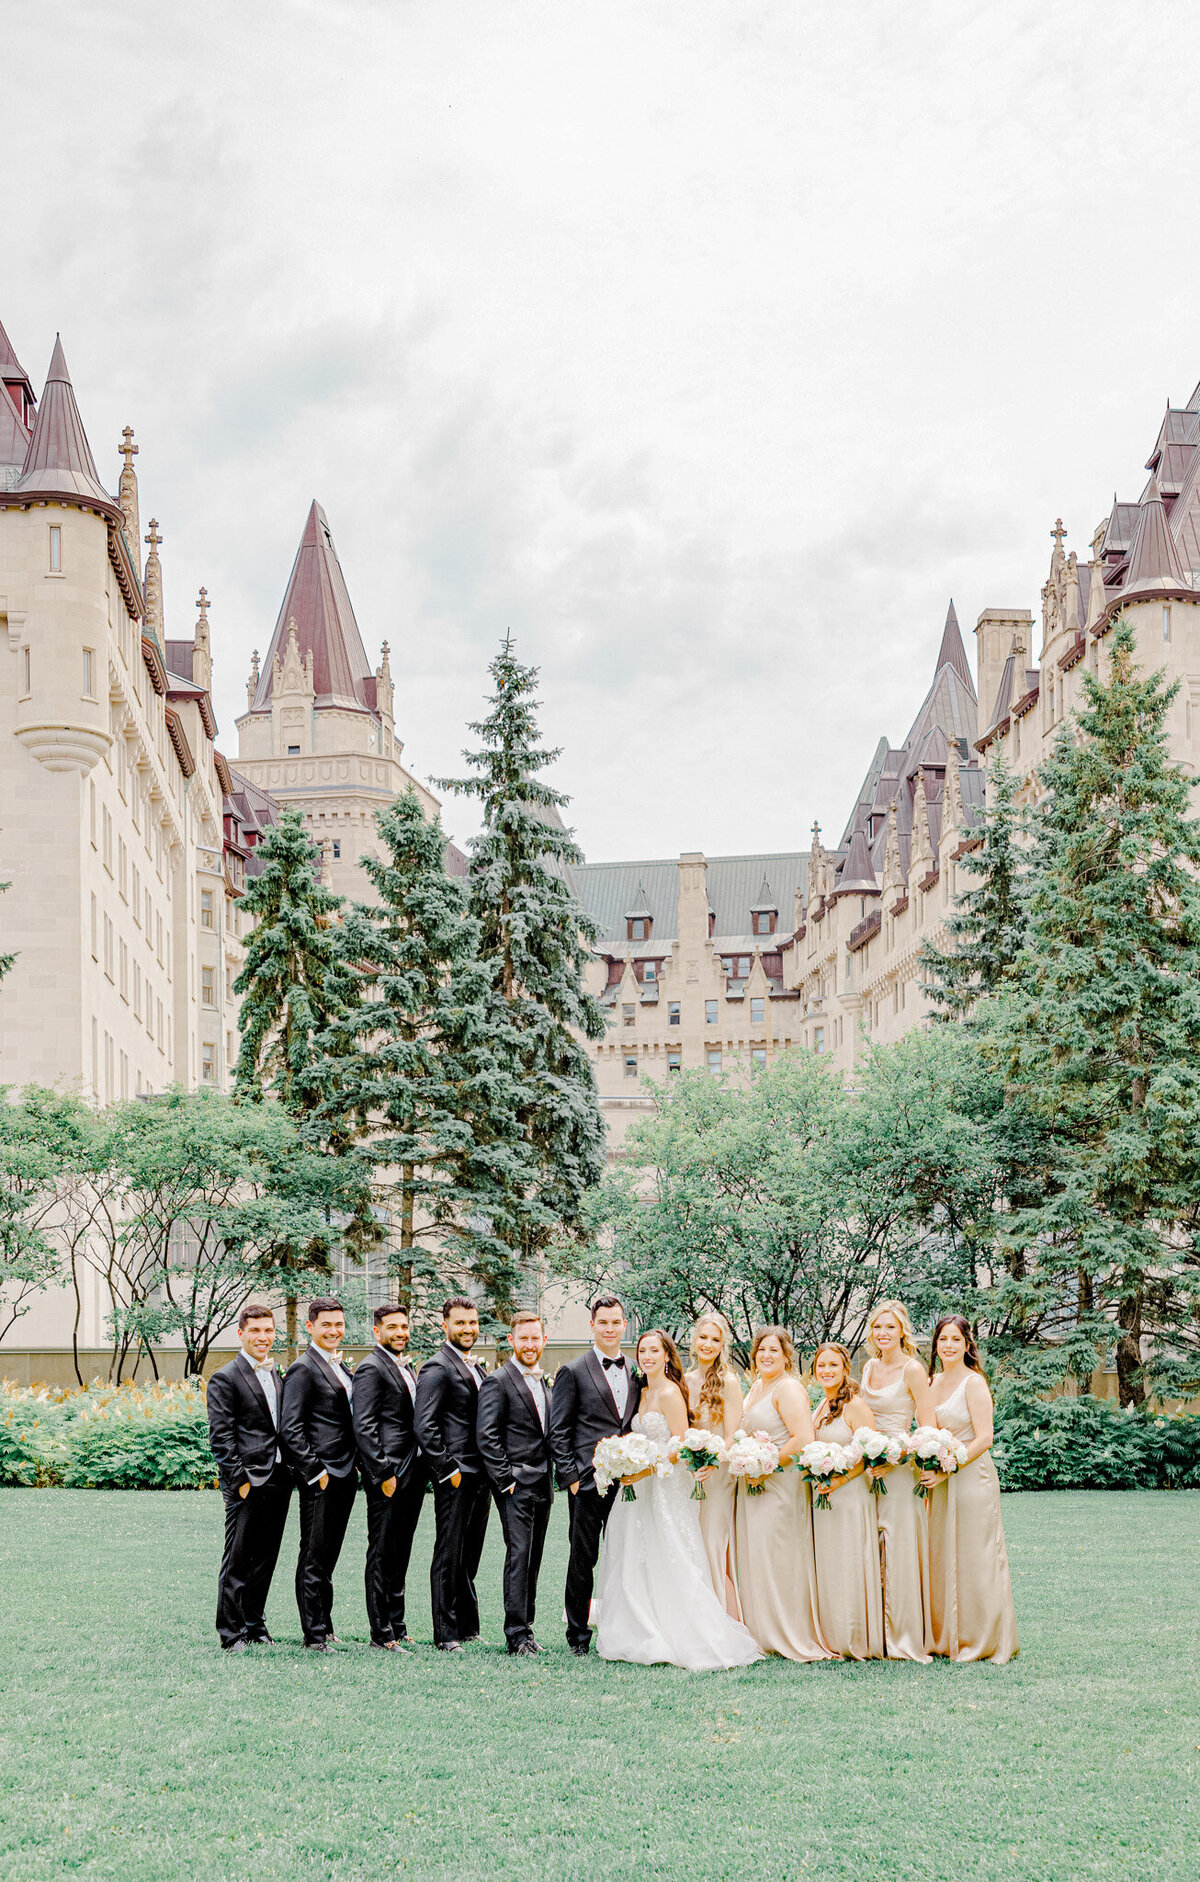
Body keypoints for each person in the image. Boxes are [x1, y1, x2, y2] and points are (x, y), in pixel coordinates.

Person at [594, 1330, 760, 1670]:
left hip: (665, 1486)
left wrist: (645, 1469)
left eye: (655, 1350)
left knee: (672, 1555)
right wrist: (625, 1459)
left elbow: (679, 1444)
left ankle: (688, 1633)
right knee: (636, 1556)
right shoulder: (640, 1392)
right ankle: (641, 1627)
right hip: (639, 1487)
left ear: (667, 1356)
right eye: (642, 1351)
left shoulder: (670, 1393)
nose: (647, 1356)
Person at [923, 1315, 1019, 1664]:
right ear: (935, 1345)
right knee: (943, 1555)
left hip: (970, 1477)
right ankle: (947, 1636)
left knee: (974, 1556)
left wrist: (950, 1467)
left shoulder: (974, 1383)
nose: (948, 1345)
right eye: (942, 1339)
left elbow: (985, 1438)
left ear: (967, 1345)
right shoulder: (930, 1382)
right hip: (939, 1479)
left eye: (955, 1339)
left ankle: (982, 1639)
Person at [548, 1294, 639, 1656]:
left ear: (624, 1325)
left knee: (626, 1557)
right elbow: (558, 1431)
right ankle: (577, 1636)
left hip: (629, 1483)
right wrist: (571, 1478)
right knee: (583, 1559)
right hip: (587, 1483)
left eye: (616, 1322)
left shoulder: (635, 1369)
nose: (610, 1329)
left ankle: (623, 1628)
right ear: (592, 1326)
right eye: (603, 1322)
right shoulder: (572, 1371)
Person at [734, 1325, 830, 1661]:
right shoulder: (758, 1386)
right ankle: (764, 1632)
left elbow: (803, 1438)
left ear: (787, 1356)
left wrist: (764, 1466)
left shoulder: (788, 1388)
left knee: (781, 1557)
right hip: (754, 1481)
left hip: (780, 1484)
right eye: (761, 1349)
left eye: (774, 1350)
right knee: (759, 1557)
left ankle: (789, 1632)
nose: (766, 1355)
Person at [205, 1303, 291, 1652]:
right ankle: (231, 1633)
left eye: (268, 1331)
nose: (263, 1337)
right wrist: (239, 1480)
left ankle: (255, 1625)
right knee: (238, 1559)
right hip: (247, 1482)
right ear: (241, 1333)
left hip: (279, 1478)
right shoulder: (226, 1377)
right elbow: (221, 1437)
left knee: (266, 1558)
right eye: (255, 1331)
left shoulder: (274, 1374)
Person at [280, 1296, 358, 1653]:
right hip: (321, 1477)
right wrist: (314, 1471)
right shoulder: (303, 1369)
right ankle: (313, 1634)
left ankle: (325, 1626)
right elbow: (290, 1428)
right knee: (313, 1555)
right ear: (310, 1326)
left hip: (344, 1475)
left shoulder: (340, 1367)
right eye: (326, 1324)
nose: (333, 1330)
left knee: (328, 1556)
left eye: (338, 1324)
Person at [413, 1296, 490, 1652]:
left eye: (472, 1323)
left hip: (481, 1474)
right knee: (448, 1553)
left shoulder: (476, 1367)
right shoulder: (437, 1367)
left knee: (469, 1554)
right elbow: (425, 1426)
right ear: (445, 1325)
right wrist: (448, 1469)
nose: (468, 1329)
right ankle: (445, 1634)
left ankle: (468, 1626)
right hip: (456, 1475)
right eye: (460, 1323)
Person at [476, 1310, 554, 1656]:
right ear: (512, 1341)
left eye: (535, 1338)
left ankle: (528, 1630)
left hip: (543, 1483)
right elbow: (486, 1435)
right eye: (523, 1338)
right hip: (516, 1485)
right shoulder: (498, 1380)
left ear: (543, 1341)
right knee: (519, 1555)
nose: (529, 1344)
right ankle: (515, 1635)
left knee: (533, 1558)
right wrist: (505, 1479)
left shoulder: (542, 1382)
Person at [859, 1299, 933, 1661]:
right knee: (870, 1548)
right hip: (867, 1470)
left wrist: (897, 1457)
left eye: (890, 1327)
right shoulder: (869, 1366)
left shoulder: (913, 1370)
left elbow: (928, 1426)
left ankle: (902, 1636)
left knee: (899, 1549)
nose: (883, 1333)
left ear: (902, 1330)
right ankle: (875, 1636)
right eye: (877, 1327)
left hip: (900, 1472)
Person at [351, 1302, 425, 1654]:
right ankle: (381, 1633)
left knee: (400, 1553)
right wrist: (382, 1472)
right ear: (377, 1331)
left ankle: (398, 1624)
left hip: (412, 1472)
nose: (400, 1333)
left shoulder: (404, 1365)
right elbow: (364, 1426)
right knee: (381, 1554)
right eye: (392, 1327)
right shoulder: (370, 1368)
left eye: (404, 1326)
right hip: (389, 1475)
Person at [809, 1342, 884, 1661]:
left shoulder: (855, 1405)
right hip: (826, 1496)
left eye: (833, 1365)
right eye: (821, 1366)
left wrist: (839, 1479)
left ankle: (855, 1637)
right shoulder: (821, 1406)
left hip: (850, 1495)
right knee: (830, 1565)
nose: (826, 1371)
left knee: (850, 1562)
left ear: (844, 1369)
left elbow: (870, 1452)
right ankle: (833, 1634)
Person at [683, 1313, 745, 1618]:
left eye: (715, 1340)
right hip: (688, 1476)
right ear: (694, 1341)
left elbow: (733, 1435)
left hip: (718, 1477)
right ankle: (693, 1616)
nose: (708, 1344)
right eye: (703, 1337)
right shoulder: (682, 1379)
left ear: (723, 1346)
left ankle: (719, 1616)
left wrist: (711, 1461)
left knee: (711, 1542)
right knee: (689, 1541)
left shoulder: (729, 1382)